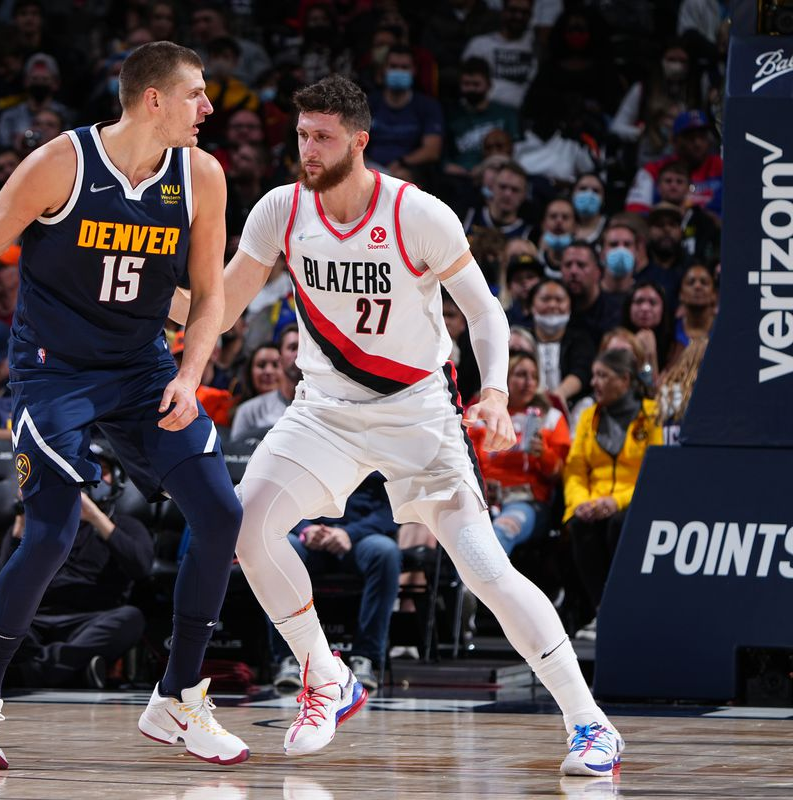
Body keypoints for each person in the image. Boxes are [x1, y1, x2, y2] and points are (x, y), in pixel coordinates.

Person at [170, 74, 623, 776]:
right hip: (323, 410)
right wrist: (146, 297)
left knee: (485, 571)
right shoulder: (280, 209)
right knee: (245, 526)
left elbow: (485, 311)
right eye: (301, 135)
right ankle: (326, 675)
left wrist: (494, 392)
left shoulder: (417, 213)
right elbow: (223, 309)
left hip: (418, 412)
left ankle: (590, 723)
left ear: (359, 140)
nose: (308, 149)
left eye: (322, 137)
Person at [0, 41, 248, 769]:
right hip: (55, 371)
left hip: (143, 367)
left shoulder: (201, 175)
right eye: (196, 94)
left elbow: (211, 299)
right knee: (49, 535)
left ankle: (178, 697)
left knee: (220, 513)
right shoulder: (61, 163)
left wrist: (189, 373)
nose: (209, 107)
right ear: (153, 100)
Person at [0, 442, 152, 689]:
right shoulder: (39, 527)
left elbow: (141, 568)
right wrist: (23, 518)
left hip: (88, 621)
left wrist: (95, 517)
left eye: (101, 471)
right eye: (79, 471)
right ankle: (65, 669)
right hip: (31, 623)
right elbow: (1, 587)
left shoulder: (127, 525)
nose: (88, 479)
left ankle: (26, 670)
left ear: (117, 481)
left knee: (131, 618)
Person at [269, 473, 401, 693]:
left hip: (360, 537)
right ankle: (289, 658)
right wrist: (304, 528)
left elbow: (391, 510)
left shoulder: (381, 453)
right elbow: (281, 497)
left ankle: (365, 657)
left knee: (386, 552)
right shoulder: (306, 451)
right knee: (282, 548)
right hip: (308, 536)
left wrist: (350, 533)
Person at [563, 349, 662, 641]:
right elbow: (574, 470)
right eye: (594, 375)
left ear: (625, 379)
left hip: (636, 502)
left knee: (619, 524)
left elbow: (656, 473)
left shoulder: (652, 415)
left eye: (602, 376)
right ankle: (602, 611)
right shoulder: (588, 417)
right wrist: (580, 503)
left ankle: (626, 609)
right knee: (579, 525)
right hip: (594, 502)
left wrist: (616, 501)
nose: (594, 382)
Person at [468, 353, 570, 554]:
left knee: (503, 529)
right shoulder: (481, 415)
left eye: (534, 376)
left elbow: (559, 474)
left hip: (528, 503)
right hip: (484, 501)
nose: (529, 382)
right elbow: (467, 463)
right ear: (504, 378)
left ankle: (478, 576)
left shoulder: (551, 417)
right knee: (466, 535)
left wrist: (543, 454)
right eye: (521, 375)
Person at [230, 325, 298, 440]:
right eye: (261, 365)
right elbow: (235, 449)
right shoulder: (246, 410)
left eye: (275, 365)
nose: (268, 371)